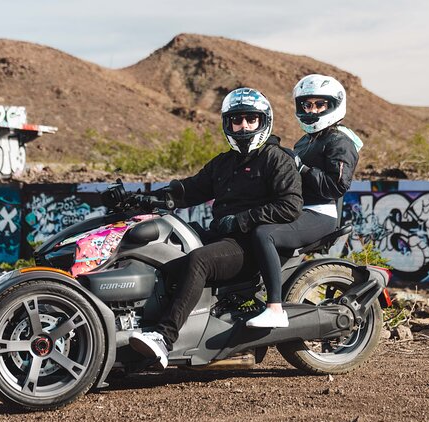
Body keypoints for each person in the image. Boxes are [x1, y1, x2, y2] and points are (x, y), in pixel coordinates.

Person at [128, 87, 303, 369]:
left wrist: (240, 220)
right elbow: (189, 190)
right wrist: (146, 198)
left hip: (252, 246)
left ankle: (164, 338)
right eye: (237, 119)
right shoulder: (224, 163)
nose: (243, 125)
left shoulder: (276, 158)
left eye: (251, 119)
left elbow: (290, 206)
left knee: (199, 261)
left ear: (263, 121)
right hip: (225, 238)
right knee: (165, 253)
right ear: (228, 124)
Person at [245, 74, 363, 328]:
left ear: (334, 105)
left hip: (321, 213)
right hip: (297, 209)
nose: (312, 110)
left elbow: (336, 187)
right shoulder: (305, 141)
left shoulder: (340, 140)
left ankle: (274, 308)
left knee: (265, 234)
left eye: (319, 105)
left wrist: (301, 167)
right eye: (307, 105)